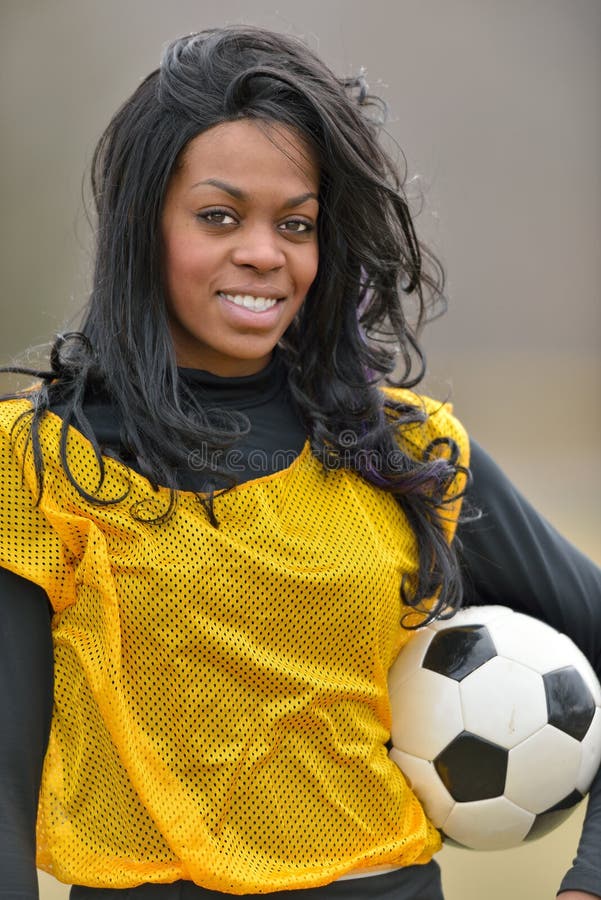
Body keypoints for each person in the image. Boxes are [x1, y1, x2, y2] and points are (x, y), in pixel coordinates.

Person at [0, 25, 599, 900]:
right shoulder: (41, 465)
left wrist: (589, 877)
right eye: (218, 216)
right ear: (143, 227)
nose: (263, 253)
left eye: (297, 224)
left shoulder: (407, 453)